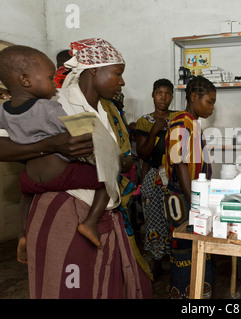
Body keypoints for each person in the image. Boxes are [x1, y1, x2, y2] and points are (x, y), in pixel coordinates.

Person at [0, 38, 153, 298]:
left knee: (104, 285)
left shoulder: (108, 110)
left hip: (105, 214)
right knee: (71, 288)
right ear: (94, 70)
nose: (122, 81)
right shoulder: (56, 101)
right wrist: (53, 144)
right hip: (68, 211)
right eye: (117, 73)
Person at [0, 45, 112, 261]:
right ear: (26, 80)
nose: (55, 83)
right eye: (51, 77)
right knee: (106, 180)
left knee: (25, 198)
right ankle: (90, 223)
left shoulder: (3, 111)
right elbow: (71, 134)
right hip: (60, 174)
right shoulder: (48, 107)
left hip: (31, 177)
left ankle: (23, 234)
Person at [164, 75, 216, 299]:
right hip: (182, 195)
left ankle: (198, 292)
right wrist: (194, 200)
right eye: (210, 101)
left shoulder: (193, 123)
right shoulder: (181, 122)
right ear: (194, 97)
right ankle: (184, 293)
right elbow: (180, 163)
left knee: (200, 244)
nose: (212, 107)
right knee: (184, 246)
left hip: (193, 194)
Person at [136, 78, 176, 277]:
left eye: (168, 93)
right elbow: (143, 154)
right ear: (153, 95)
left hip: (175, 175)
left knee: (175, 217)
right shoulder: (145, 121)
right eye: (159, 93)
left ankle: (176, 258)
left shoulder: (178, 117)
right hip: (153, 177)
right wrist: (154, 131)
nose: (163, 97)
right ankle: (157, 259)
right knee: (154, 219)